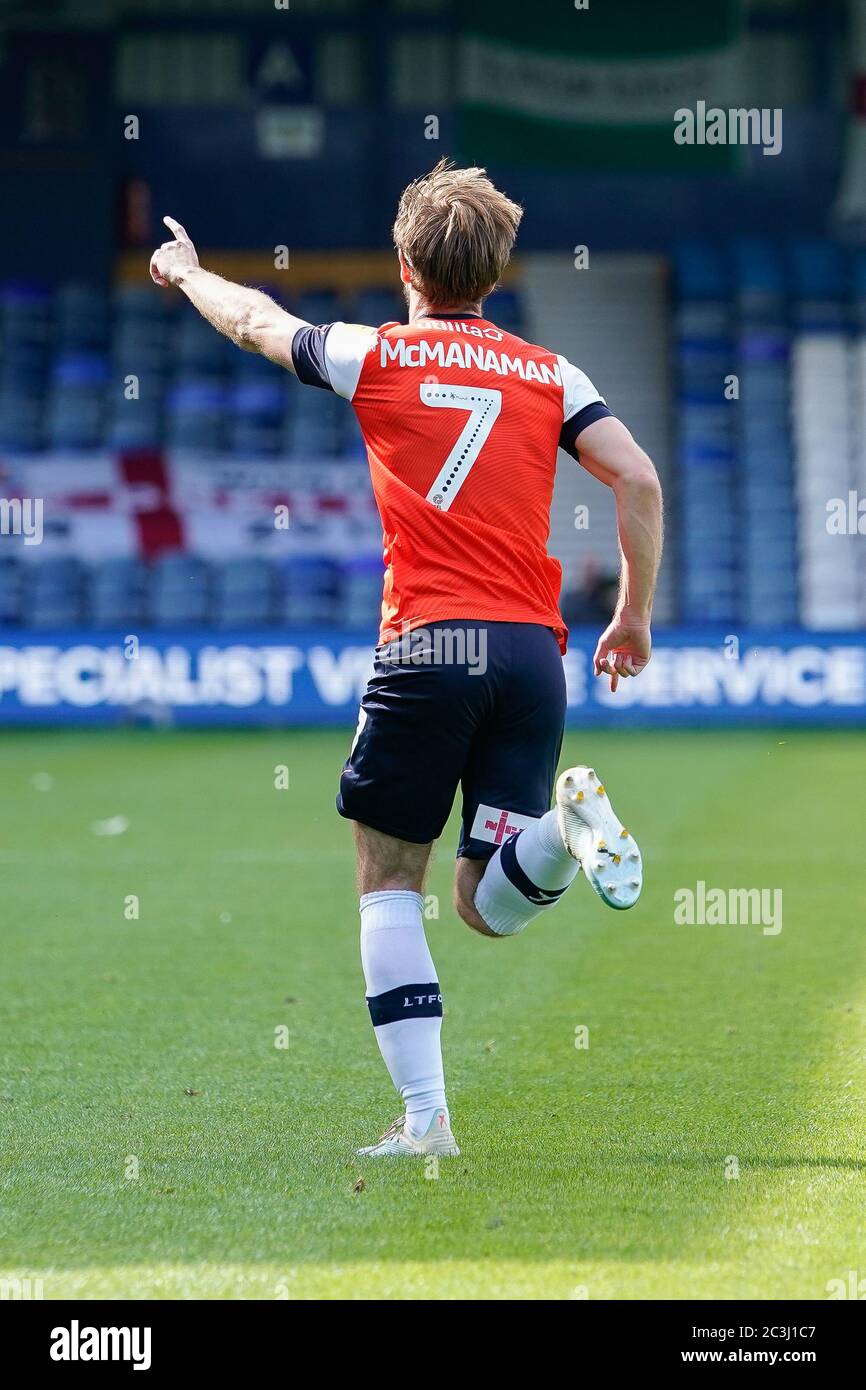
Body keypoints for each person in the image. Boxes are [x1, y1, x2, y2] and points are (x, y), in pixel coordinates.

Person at [150, 159, 664, 1159]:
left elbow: (255, 322)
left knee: (391, 880)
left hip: (428, 645)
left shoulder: (372, 352)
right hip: (527, 654)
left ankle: (425, 1120)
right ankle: (563, 826)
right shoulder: (553, 373)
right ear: (496, 269)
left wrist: (184, 271)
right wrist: (633, 616)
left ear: (403, 265)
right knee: (484, 902)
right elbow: (636, 477)